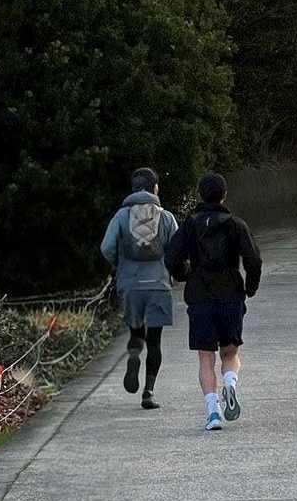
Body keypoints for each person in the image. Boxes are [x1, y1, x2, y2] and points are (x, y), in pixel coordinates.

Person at [165, 172, 262, 432]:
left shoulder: (190, 225)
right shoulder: (236, 224)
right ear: (224, 195)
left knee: (206, 357)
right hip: (230, 294)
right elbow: (253, 260)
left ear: (200, 195)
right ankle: (230, 383)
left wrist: (184, 274)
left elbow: (171, 257)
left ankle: (213, 412)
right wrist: (250, 287)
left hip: (200, 296)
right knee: (230, 353)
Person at [101, 167, 179, 410]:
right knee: (155, 341)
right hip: (159, 285)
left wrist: (120, 265)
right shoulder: (166, 217)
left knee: (137, 333)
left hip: (131, 285)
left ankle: (134, 353)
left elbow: (106, 247)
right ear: (155, 188)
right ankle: (148, 392)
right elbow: (177, 249)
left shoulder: (121, 216)